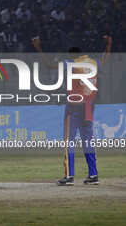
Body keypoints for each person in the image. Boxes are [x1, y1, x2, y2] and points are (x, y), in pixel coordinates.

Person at [32, 35, 112, 186]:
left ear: (72, 55)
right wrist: (108, 45)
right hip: (89, 105)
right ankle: (93, 175)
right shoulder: (93, 63)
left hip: (75, 105)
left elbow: (49, 64)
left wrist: (38, 48)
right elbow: (105, 61)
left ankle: (69, 176)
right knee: (88, 140)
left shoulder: (72, 63)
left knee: (69, 140)